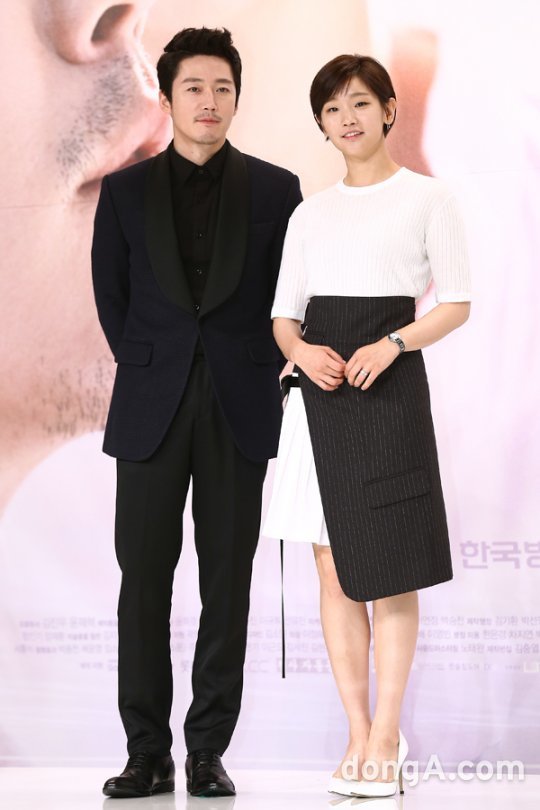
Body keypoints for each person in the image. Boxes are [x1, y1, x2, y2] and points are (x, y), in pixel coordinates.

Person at [91, 26, 301, 799]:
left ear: (236, 98)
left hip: (240, 404)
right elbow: (113, 296)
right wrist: (155, 360)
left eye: (222, 88)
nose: (209, 101)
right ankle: (145, 752)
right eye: (194, 88)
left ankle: (208, 750)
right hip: (151, 404)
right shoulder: (124, 191)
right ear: (168, 96)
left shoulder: (277, 191)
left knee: (227, 583)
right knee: (143, 584)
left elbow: (291, 294)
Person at [263, 54, 471, 798]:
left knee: (391, 565)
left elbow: (456, 303)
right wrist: (300, 352)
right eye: (332, 109)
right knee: (334, 568)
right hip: (320, 397)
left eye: (359, 103)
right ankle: (357, 731)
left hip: (388, 392)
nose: (346, 118)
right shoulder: (309, 214)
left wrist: (393, 345)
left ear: (388, 109)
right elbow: (284, 317)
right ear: (321, 125)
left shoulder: (429, 198)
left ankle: (388, 734)